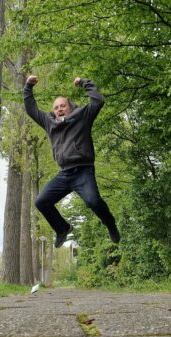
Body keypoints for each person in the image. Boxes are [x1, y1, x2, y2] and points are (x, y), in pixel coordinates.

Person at [23, 74, 120, 248]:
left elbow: (98, 100)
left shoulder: (82, 116)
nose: (59, 109)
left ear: (70, 107)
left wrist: (84, 83)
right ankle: (62, 228)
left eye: (63, 105)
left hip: (83, 171)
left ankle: (110, 223)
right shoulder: (49, 121)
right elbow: (31, 109)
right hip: (64, 174)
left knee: (93, 201)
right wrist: (28, 87)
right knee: (41, 202)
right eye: (56, 107)